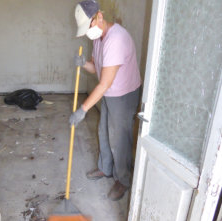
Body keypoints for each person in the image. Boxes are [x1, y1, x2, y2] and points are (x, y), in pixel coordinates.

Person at [69, 0, 141, 201]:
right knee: (103, 130)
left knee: (119, 138)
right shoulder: (99, 37)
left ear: (99, 16)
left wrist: (83, 109)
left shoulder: (116, 40)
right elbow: (97, 69)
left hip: (123, 94)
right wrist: (84, 64)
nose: (87, 33)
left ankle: (123, 180)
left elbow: (104, 84)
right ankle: (105, 168)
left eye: (88, 26)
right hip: (110, 91)